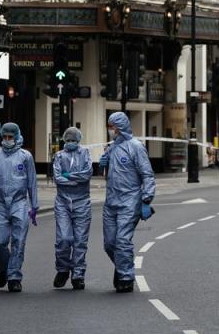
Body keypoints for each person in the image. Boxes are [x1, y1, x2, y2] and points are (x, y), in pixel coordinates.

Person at [100, 112, 156, 293]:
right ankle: (122, 266)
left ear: (121, 126)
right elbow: (107, 173)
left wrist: (146, 199)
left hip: (129, 200)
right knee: (109, 243)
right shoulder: (111, 148)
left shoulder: (135, 147)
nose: (111, 130)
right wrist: (103, 164)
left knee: (122, 240)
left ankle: (126, 277)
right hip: (111, 202)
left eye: (113, 127)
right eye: (109, 127)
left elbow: (147, 174)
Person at [0, 122, 38, 293]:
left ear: (17, 137)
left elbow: (32, 181)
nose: (7, 140)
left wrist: (34, 206)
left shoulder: (25, 156)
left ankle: (14, 277)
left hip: (19, 203)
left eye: (10, 137)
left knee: (18, 242)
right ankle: (3, 268)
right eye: (5, 137)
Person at [52, 126, 93, 290]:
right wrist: (75, 180)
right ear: (64, 140)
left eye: (73, 140)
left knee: (80, 240)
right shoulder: (59, 156)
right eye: (68, 140)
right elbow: (57, 178)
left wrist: (68, 176)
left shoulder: (85, 153)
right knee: (63, 239)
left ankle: (78, 274)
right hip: (62, 201)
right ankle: (62, 269)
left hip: (82, 201)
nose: (70, 143)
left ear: (79, 140)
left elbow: (87, 173)